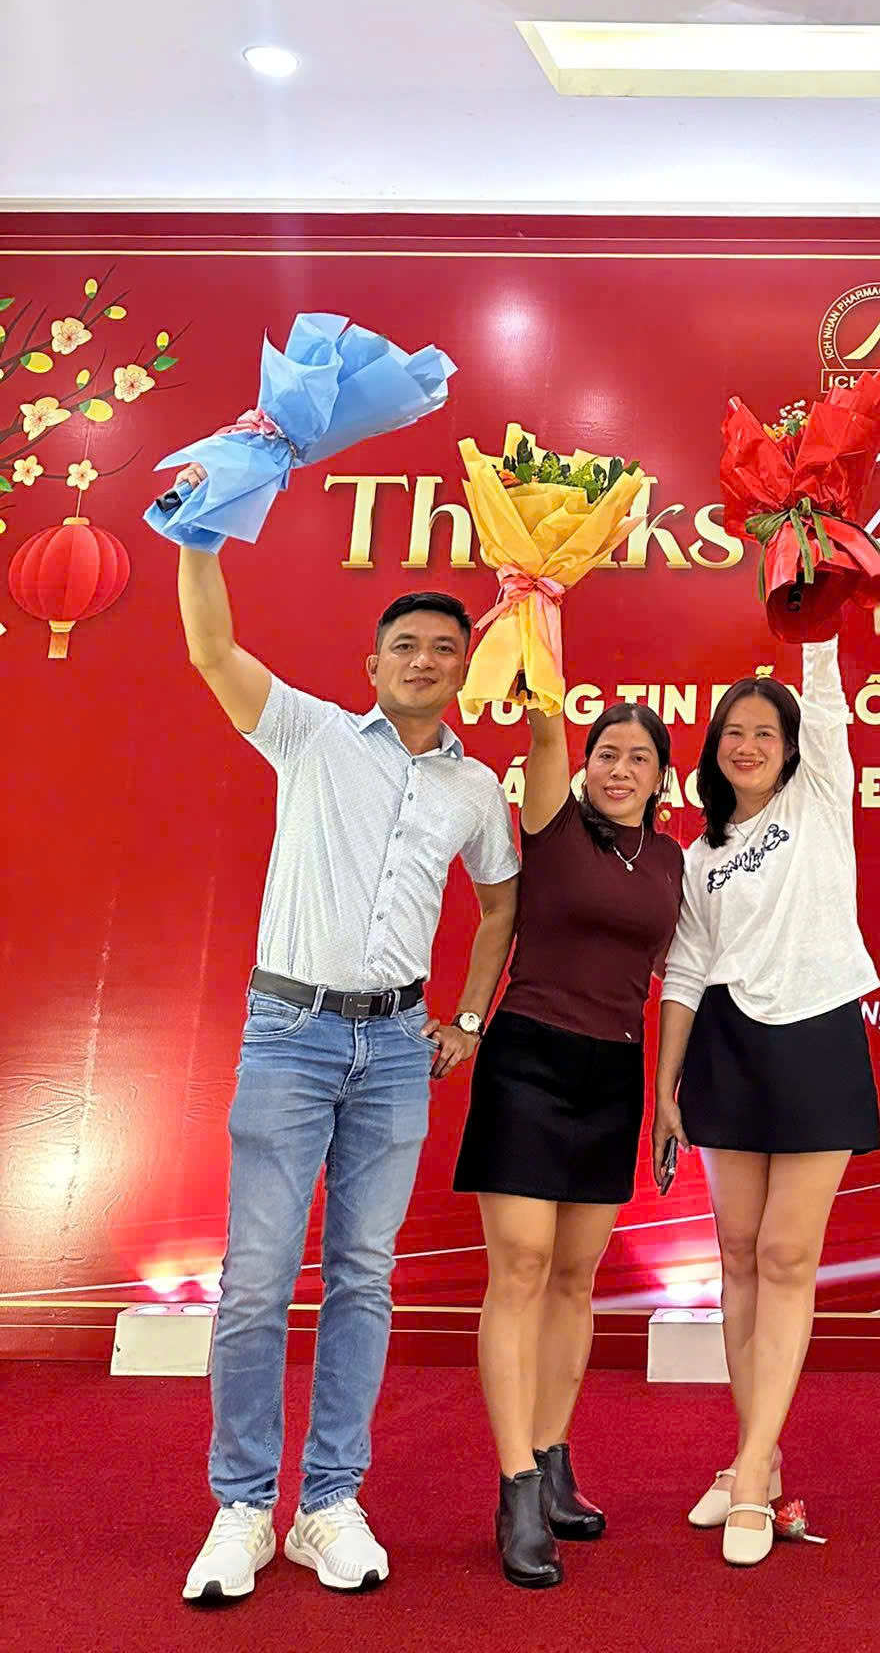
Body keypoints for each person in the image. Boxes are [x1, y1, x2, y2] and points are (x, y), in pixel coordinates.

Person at [173, 521, 519, 1608]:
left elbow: (501, 903)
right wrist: (199, 540)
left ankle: (329, 1501)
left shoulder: (476, 789)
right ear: (373, 664)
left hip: (399, 1048)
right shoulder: (311, 733)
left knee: (364, 1275)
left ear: (464, 670)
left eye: (446, 648)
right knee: (258, 1278)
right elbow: (211, 650)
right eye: (406, 645)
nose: (425, 660)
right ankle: (243, 1506)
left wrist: (469, 1017)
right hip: (290, 1032)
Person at [653, 636, 880, 1568]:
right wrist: (665, 1087)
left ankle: (749, 1475)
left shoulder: (818, 799)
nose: (748, 746)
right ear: (713, 750)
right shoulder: (699, 855)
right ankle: (760, 1455)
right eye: (733, 733)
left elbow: (823, 704)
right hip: (725, 1049)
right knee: (739, 1259)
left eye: (765, 733)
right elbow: (685, 969)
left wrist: (815, 620)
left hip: (817, 1040)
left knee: (788, 1256)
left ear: (792, 749)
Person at [454, 699, 685, 1588]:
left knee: (576, 1278)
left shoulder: (669, 860)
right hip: (528, 1061)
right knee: (520, 1265)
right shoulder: (552, 825)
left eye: (639, 758)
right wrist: (538, 631)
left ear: (663, 777)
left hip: (613, 1072)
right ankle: (514, 1485)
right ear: (584, 767)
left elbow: (677, 971)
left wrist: (669, 1092)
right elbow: (545, 728)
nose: (620, 769)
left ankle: (552, 1462)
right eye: (607, 754)